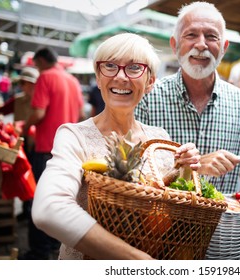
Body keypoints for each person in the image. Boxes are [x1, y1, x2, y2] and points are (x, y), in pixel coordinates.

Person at [135, 1, 240, 259]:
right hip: (159, 237)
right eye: (191, 35)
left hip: (228, 241)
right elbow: (135, 173)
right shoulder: (148, 97)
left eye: (211, 36)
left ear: (223, 48)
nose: (201, 44)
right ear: (175, 45)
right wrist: (194, 166)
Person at [31, 33, 201, 260]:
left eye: (134, 68)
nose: (121, 77)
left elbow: (173, 214)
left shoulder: (159, 140)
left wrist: (185, 170)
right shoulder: (74, 136)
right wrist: (135, 259)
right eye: (110, 66)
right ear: (99, 77)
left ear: (150, 81)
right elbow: (48, 209)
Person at [20, 47, 85, 260]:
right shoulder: (73, 81)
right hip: (68, 151)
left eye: (36, 64)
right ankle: (55, 245)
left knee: (39, 201)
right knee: (61, 202)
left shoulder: (45, 77)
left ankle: (39, 252)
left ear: (40, 61)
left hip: (46, 148)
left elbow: (38, 112)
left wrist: (23, 126)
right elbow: (81, 114)